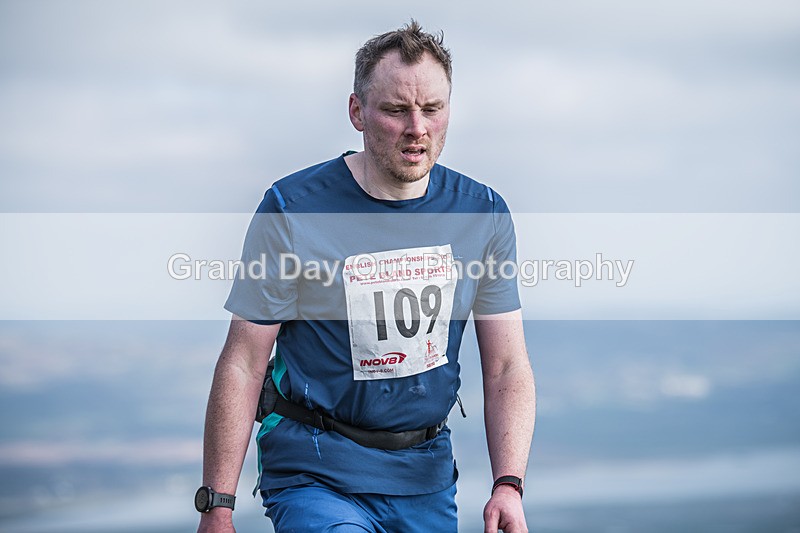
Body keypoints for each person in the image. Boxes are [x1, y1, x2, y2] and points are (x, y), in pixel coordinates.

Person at [197, 20, 535, 533]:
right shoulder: (292, 211)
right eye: (397, 109)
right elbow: (244, 362)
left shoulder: (482, 214)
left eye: (433, 109)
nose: (417, 127)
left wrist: (508, 485)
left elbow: (507, 365)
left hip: (424, 477)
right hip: (315, 470)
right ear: (357, 112)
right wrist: (218, 506)